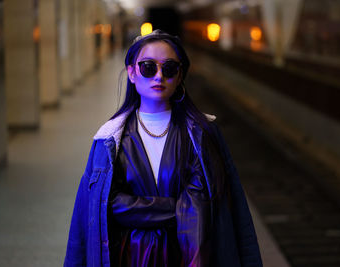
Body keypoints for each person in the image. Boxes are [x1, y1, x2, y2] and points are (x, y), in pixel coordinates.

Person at [64, 29, 262, 267]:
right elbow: (100, 208)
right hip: (127, 258)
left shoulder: (202, 135)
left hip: (189, 259)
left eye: (169, 68)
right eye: (148, 67)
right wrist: (179, 207)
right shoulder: (108, 140)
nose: (159, 76)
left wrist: (136, 208)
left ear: (180, 77)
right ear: (132, 73)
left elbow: (224, 208)